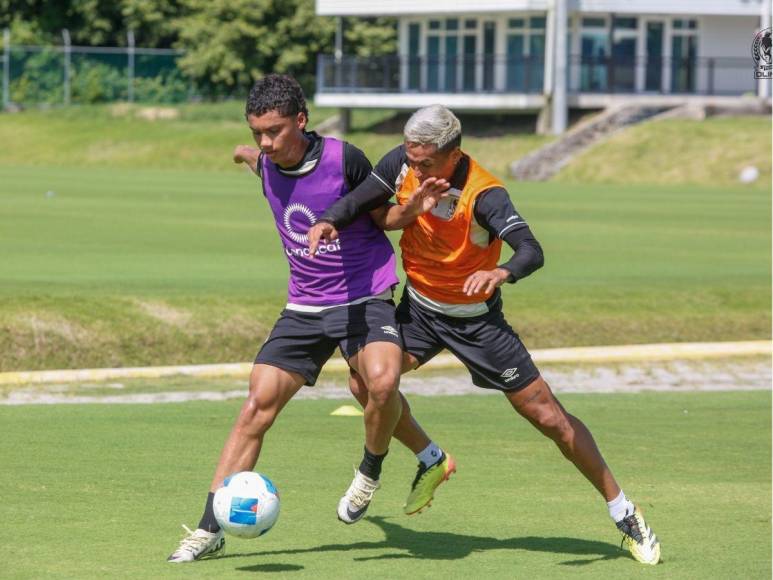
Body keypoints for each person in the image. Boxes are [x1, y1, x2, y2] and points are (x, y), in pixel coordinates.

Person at [307, 105, 661, 566]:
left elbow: (532, 250)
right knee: (367, 382)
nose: (415, 169)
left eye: (425, 163)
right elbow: (363, 197)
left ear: (453, 154)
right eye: (412, 160)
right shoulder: (402, 162)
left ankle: (625, 513)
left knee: (550, 418)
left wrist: (502, 272)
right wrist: (329, 219)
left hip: (477, 322)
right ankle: (425, 459)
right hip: (419, 311)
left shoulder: (486, 193)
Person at [167, 74, 438, 563]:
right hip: (303, 306)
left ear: (301, 121)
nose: (266, 143)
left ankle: (370, 470)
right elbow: (254, 162)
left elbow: (384, 220)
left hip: (363, 296)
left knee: (381, 383)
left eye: (274, 131)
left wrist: (413, 210)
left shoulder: (344, 159)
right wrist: (241, 153)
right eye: (257, 134)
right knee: (256, 407)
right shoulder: (267, 160)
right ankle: (209, 529)